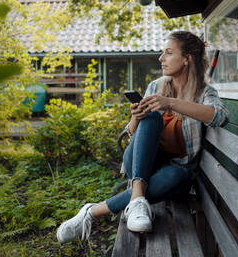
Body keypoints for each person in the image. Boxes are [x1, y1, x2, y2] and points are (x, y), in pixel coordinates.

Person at [56, 31, 228, 243]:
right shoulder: (156, 87)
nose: (160, 58)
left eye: (168, 53)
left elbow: (219, 116)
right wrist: (135, 119)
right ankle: (137, 198)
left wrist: (170, 103)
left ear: (186, 59)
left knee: (176, 178)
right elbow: (134, 137)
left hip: (175, 169)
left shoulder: (205, 93)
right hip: (142, 163)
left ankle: (91, 212)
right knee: (151, 117)